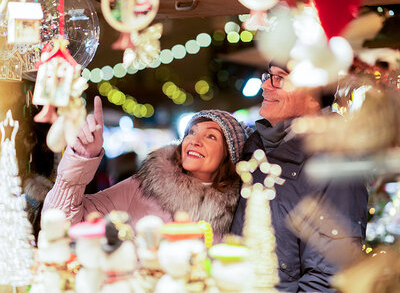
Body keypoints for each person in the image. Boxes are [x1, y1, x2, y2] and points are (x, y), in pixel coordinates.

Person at [231, 62, 368, 292]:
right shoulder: (255, 147)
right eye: (268, 75)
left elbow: (329, 276)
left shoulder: (335, 159)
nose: (265, 85)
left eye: (280, 78)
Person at [43, 96, 252, 241]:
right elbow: (61, 223)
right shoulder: (144, 187)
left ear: (229, 155)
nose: (194, 140)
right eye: (192, 132)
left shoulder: (238, 211)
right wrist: (81, 159)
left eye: (211, 136)